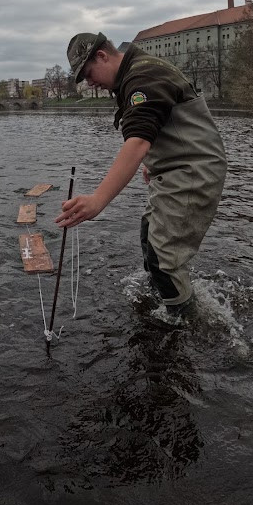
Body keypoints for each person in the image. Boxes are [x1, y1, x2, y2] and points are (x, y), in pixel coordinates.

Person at [55, 32, 226, 316]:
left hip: (193, 171)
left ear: (102, 55)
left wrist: (98, 200)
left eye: (88, 73)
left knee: (162, 259)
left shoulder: (141, 78)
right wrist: (153, 158)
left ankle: (183, 322)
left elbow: (136, 142)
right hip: (175, 166)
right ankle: (164, 297)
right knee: (149, 235)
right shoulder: (136, 72)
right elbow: (164, 119)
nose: (89, 82)